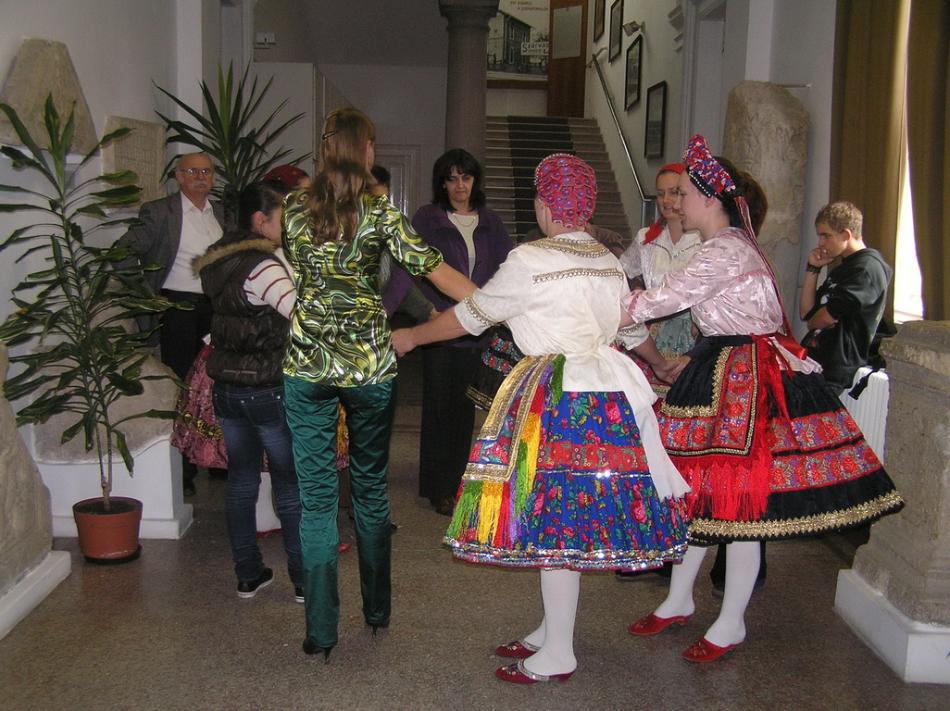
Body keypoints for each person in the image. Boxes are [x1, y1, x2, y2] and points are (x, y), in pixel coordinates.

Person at [392, 153, 691, 684]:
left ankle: (559, 653)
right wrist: (661, 363)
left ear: (547, 206)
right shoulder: (605, 259)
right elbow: (628, 328)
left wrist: (413, 335)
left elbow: (473, 315)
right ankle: (552, 631)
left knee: (556, 521)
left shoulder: (530, 259)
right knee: (565, 519)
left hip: (557, 399)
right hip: (607, 398)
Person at [622, 135, 904, 663]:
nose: (677, 201)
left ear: (712, 199)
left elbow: (659, 300)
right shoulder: (726, 245)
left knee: (739, 503)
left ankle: (731, 622)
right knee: (701, 492)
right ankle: (679, 598)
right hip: (721, 367)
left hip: (741, 376)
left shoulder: (726, 249)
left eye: (685, 192)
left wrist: (592, 302)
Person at [281, 108, 476, 661]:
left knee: (317, 500)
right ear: (365, 149)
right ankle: (377, 611)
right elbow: (436, 271)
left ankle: (321, 632)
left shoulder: (293, 207)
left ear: (325, 148)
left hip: (308, 365)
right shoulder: (381, 213)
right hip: (368, 365)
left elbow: (302, 266)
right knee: (369, 489)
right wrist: (499, 304)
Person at [384, 148, 514, 516]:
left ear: (475, 181)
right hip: (440, 326)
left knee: (465, 412)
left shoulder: (491, 222)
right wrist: (388, 312)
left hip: (479, 330)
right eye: (452, 178)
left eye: (466, 177)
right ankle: (437, 487)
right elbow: (405, 269)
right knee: (439, 408)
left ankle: (458, 483)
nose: (459, 185)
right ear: (442, 183)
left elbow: (507, 270)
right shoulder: (428, 218)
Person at [193, 180, 304, 601]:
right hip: (268, 388)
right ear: (260, 220)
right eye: (282, 219)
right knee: (289, 485)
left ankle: (248, 574)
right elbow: (301, 317)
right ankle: (303, 579)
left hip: (228, 387)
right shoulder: (263, 267)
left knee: (240, 482)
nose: (286, 227)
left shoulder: (218, 263)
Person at [118, 152, 224, 496]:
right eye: (193, 171)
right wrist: (145, 295)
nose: (201, 177)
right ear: (178, 176)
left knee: (215, 384)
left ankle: (216, 458)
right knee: (182, 387)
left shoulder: (219, 213)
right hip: (176, 309)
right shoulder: (160, 212)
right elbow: (122, 253)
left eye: (207, 171)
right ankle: (184, 470)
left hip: (214, 309)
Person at [800, 201, 893, 392]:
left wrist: (815, 321)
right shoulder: (844, 267)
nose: (820, 243)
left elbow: (824, 318)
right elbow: (806, 313)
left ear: (846, 235)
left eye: (826, 236)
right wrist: (813, 268)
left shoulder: (867, 268)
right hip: (812, 361)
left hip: (832, 368)